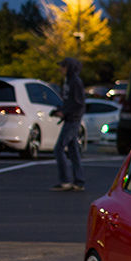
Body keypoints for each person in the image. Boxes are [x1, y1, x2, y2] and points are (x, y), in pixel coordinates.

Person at [52, 57, 86, 192]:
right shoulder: (69, 81)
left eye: (63, 66)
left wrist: (65, 112)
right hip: (70, 118)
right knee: (73, 150)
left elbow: (78, 103)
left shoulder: (75, 82)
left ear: (69, 67)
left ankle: (65, 180)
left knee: (59, 148)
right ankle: (79, 181)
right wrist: (61, 110)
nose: (61, 69)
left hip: (73, 119)